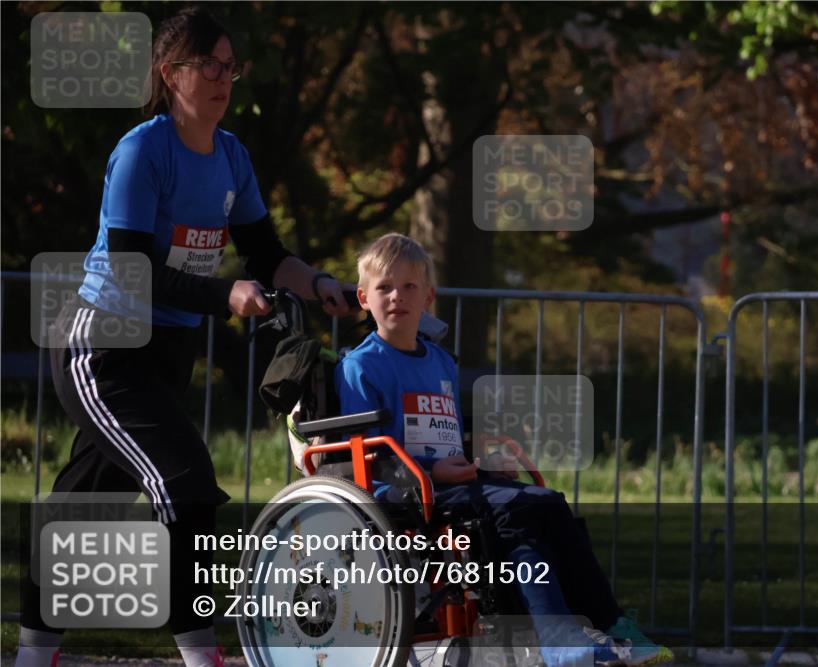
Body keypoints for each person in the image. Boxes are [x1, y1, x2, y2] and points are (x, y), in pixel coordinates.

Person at [14, 7, 351, 667]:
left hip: (168, 352)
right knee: (187, 481)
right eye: (210, 65)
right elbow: (131, 268)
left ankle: (31, 654)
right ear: (171, 74)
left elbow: (265, 253)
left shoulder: (232, 155)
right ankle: (203, 655)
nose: (225, 78)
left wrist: (317, 282)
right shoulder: (143, 149)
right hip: (103, 346)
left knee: (85, 503)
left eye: (231, 66)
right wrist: (223, 293)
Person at [334, 233, 674, 667]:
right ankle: (561, 635)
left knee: (547, 504)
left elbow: (448, 432)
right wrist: (435, 472)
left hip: (452, 480)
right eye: (384, 287)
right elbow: (364, 452)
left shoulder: (440, 361)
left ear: (428, 297)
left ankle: (604, 625)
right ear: (364, 297)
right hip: (408, 488)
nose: (396, 296)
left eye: (409, 286)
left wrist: (480, 457)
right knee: (518, 511)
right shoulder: (361, 366)